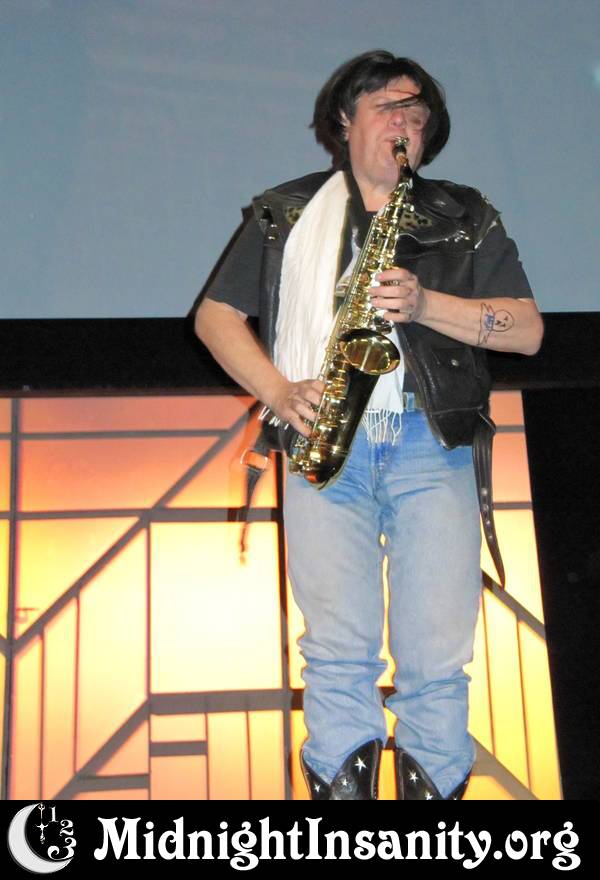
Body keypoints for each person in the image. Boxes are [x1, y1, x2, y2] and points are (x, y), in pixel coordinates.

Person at [194, 51, 544, 800]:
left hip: (430, 441)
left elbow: (526, 331)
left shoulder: (466, 214)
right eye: (388, 108)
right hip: (325, 441)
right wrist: (278, 390)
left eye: (417, 114)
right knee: (335, 651)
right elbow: (215, 317)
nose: (404, 124)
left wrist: (425, 305)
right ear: (345, 122)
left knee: (437, 657)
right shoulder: (285, 212)